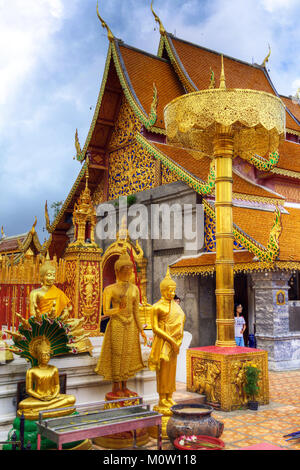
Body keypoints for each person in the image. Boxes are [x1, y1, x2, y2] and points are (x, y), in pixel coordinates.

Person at [95, 251, 147, 397]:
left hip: (130, 325)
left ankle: (125, 386)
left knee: (128, 355)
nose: (129, 272)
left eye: (130, 270)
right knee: (117, 355)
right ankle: (116, 386)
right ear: (117, 271)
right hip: (117, 324)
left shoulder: (134, 289)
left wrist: (141, 330)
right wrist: (119, 309)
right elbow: (106, 310)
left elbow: (136, 311)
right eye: (125, 270)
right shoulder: (110, 289)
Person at [148, 267, 185, 414]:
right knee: (163, 372)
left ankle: (169, 395)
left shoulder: (175, 307)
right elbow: (155, 329)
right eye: (169, 291)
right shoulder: (156, 307)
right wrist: (171, 341)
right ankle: (162, 397)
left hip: (174, 343)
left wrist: (177, 341)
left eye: (173, 291)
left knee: (171, 371)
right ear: (163, 291)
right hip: (163, 343)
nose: (172, 293)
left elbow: (181, 321)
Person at [17, 337, 76, 420]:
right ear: (38, 356)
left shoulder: (53, 369)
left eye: (48, 354)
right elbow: (29, 390)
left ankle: (46, 409)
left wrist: (53, 396)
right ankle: (51, 408)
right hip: (38, 399)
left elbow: (57, 385)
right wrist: (40, 397)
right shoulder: (32, 371)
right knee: (22, 405)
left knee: (71, 399)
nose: (46, 357)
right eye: (43, 355)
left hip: (53, 398)